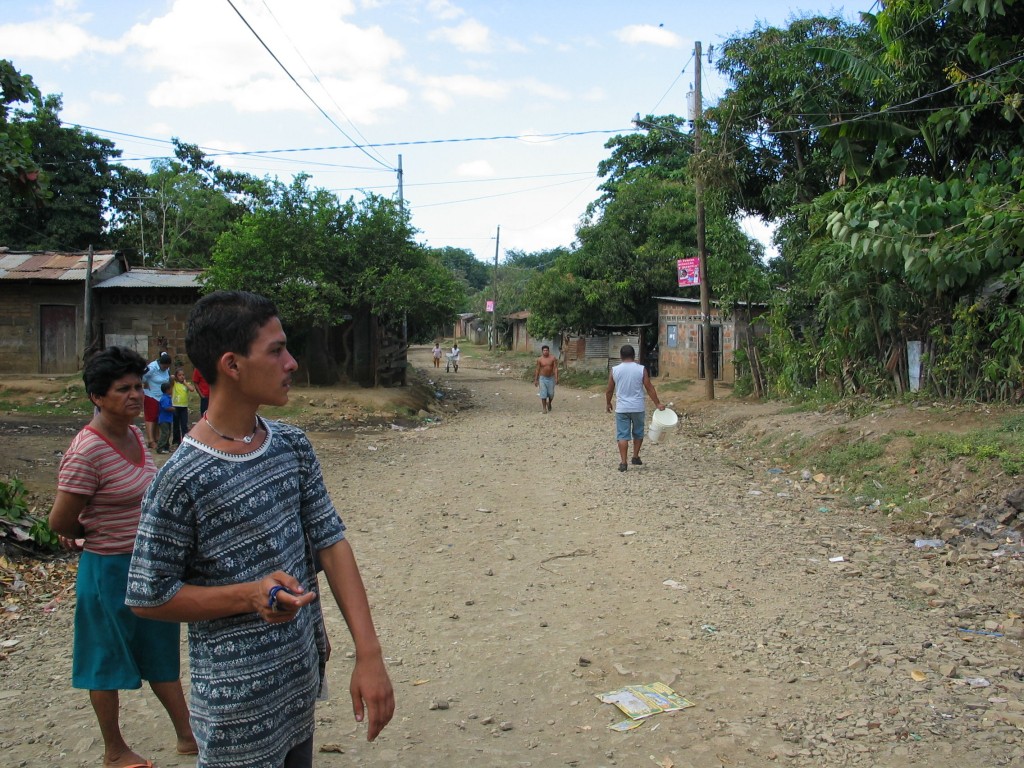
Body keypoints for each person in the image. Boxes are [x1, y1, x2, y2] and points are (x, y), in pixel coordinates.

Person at [126, 291, 394, 768]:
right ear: (231, 364)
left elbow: (331, 544)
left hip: (297, 689)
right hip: (235, 714)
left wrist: (368, 653)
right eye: (276, 350)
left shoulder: (291, 445)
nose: (291, 363)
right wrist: (249, 595)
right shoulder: (181, 479)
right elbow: (149, 597)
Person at [47, 346, 197, 768]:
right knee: (105, 657)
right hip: (108, 569)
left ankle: (188, 735)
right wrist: (85, 534)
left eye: (137, 386)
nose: (134, 395)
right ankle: (115, 750)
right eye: (122, 389)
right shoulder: (86, 451)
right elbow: (60, 520)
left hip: (147, 565)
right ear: (97, 396)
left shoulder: (133, 434)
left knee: (160, 650)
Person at [605, 344, 666, 472]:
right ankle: (635, 456)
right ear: (634, 356)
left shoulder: (615, 370)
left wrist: (608, 403)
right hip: (638, 407)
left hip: (622, 408)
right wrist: (657, 404)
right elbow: (649, 388)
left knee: (622, 435)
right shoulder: (641, 369)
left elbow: (609, 390)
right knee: (638, 432)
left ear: (621, 356)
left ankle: (623, 463)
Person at [141, 351, 172, 450]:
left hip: (161, 396)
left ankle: (158, 438)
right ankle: (151, 440)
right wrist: (146, 384)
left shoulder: (167, 369)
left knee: (158, 418)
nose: (166, 368)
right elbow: (142, 377)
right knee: (151, 418)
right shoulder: (152, 367)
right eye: (164, 367)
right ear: (160, 364)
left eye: (167, 367)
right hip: (151, 395)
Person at [170, 367, 193, 447]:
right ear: (177, 376)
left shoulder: (186, 384)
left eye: (183, 375)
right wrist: (174, 377)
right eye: (179, 375)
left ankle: (184, 440)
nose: (182, 376)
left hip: (184, 407)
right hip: (175, 406)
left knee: (184, 424)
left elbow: (192, 389)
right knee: (176, 425)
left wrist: (185, 383)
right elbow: (171, 378)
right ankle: (176, 441)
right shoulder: (174, 384)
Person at [533, 345, 559, 414]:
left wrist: (556, 378)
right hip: (542, 378)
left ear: (548, 351)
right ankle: (544, 408)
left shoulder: (553, 358)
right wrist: (536, 379)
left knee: (551, 394)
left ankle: (549, 402)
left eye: (546, 350)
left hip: (551, 378)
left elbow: (555, 368)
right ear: (542, 351)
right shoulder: (540, 359)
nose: (545, 352)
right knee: (543, 393)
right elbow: (537, 369)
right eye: (544, 350)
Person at [156, 380, 174, 454]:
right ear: (167, 390)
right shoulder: (164, 398)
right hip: (164, 419)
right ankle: (160, 447)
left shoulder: (168, 397)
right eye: (170, 389)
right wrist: (174, 408)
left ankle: (166, 447)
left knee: (168, 433)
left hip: (168, 419)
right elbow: (166, 407)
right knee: (165, 433)